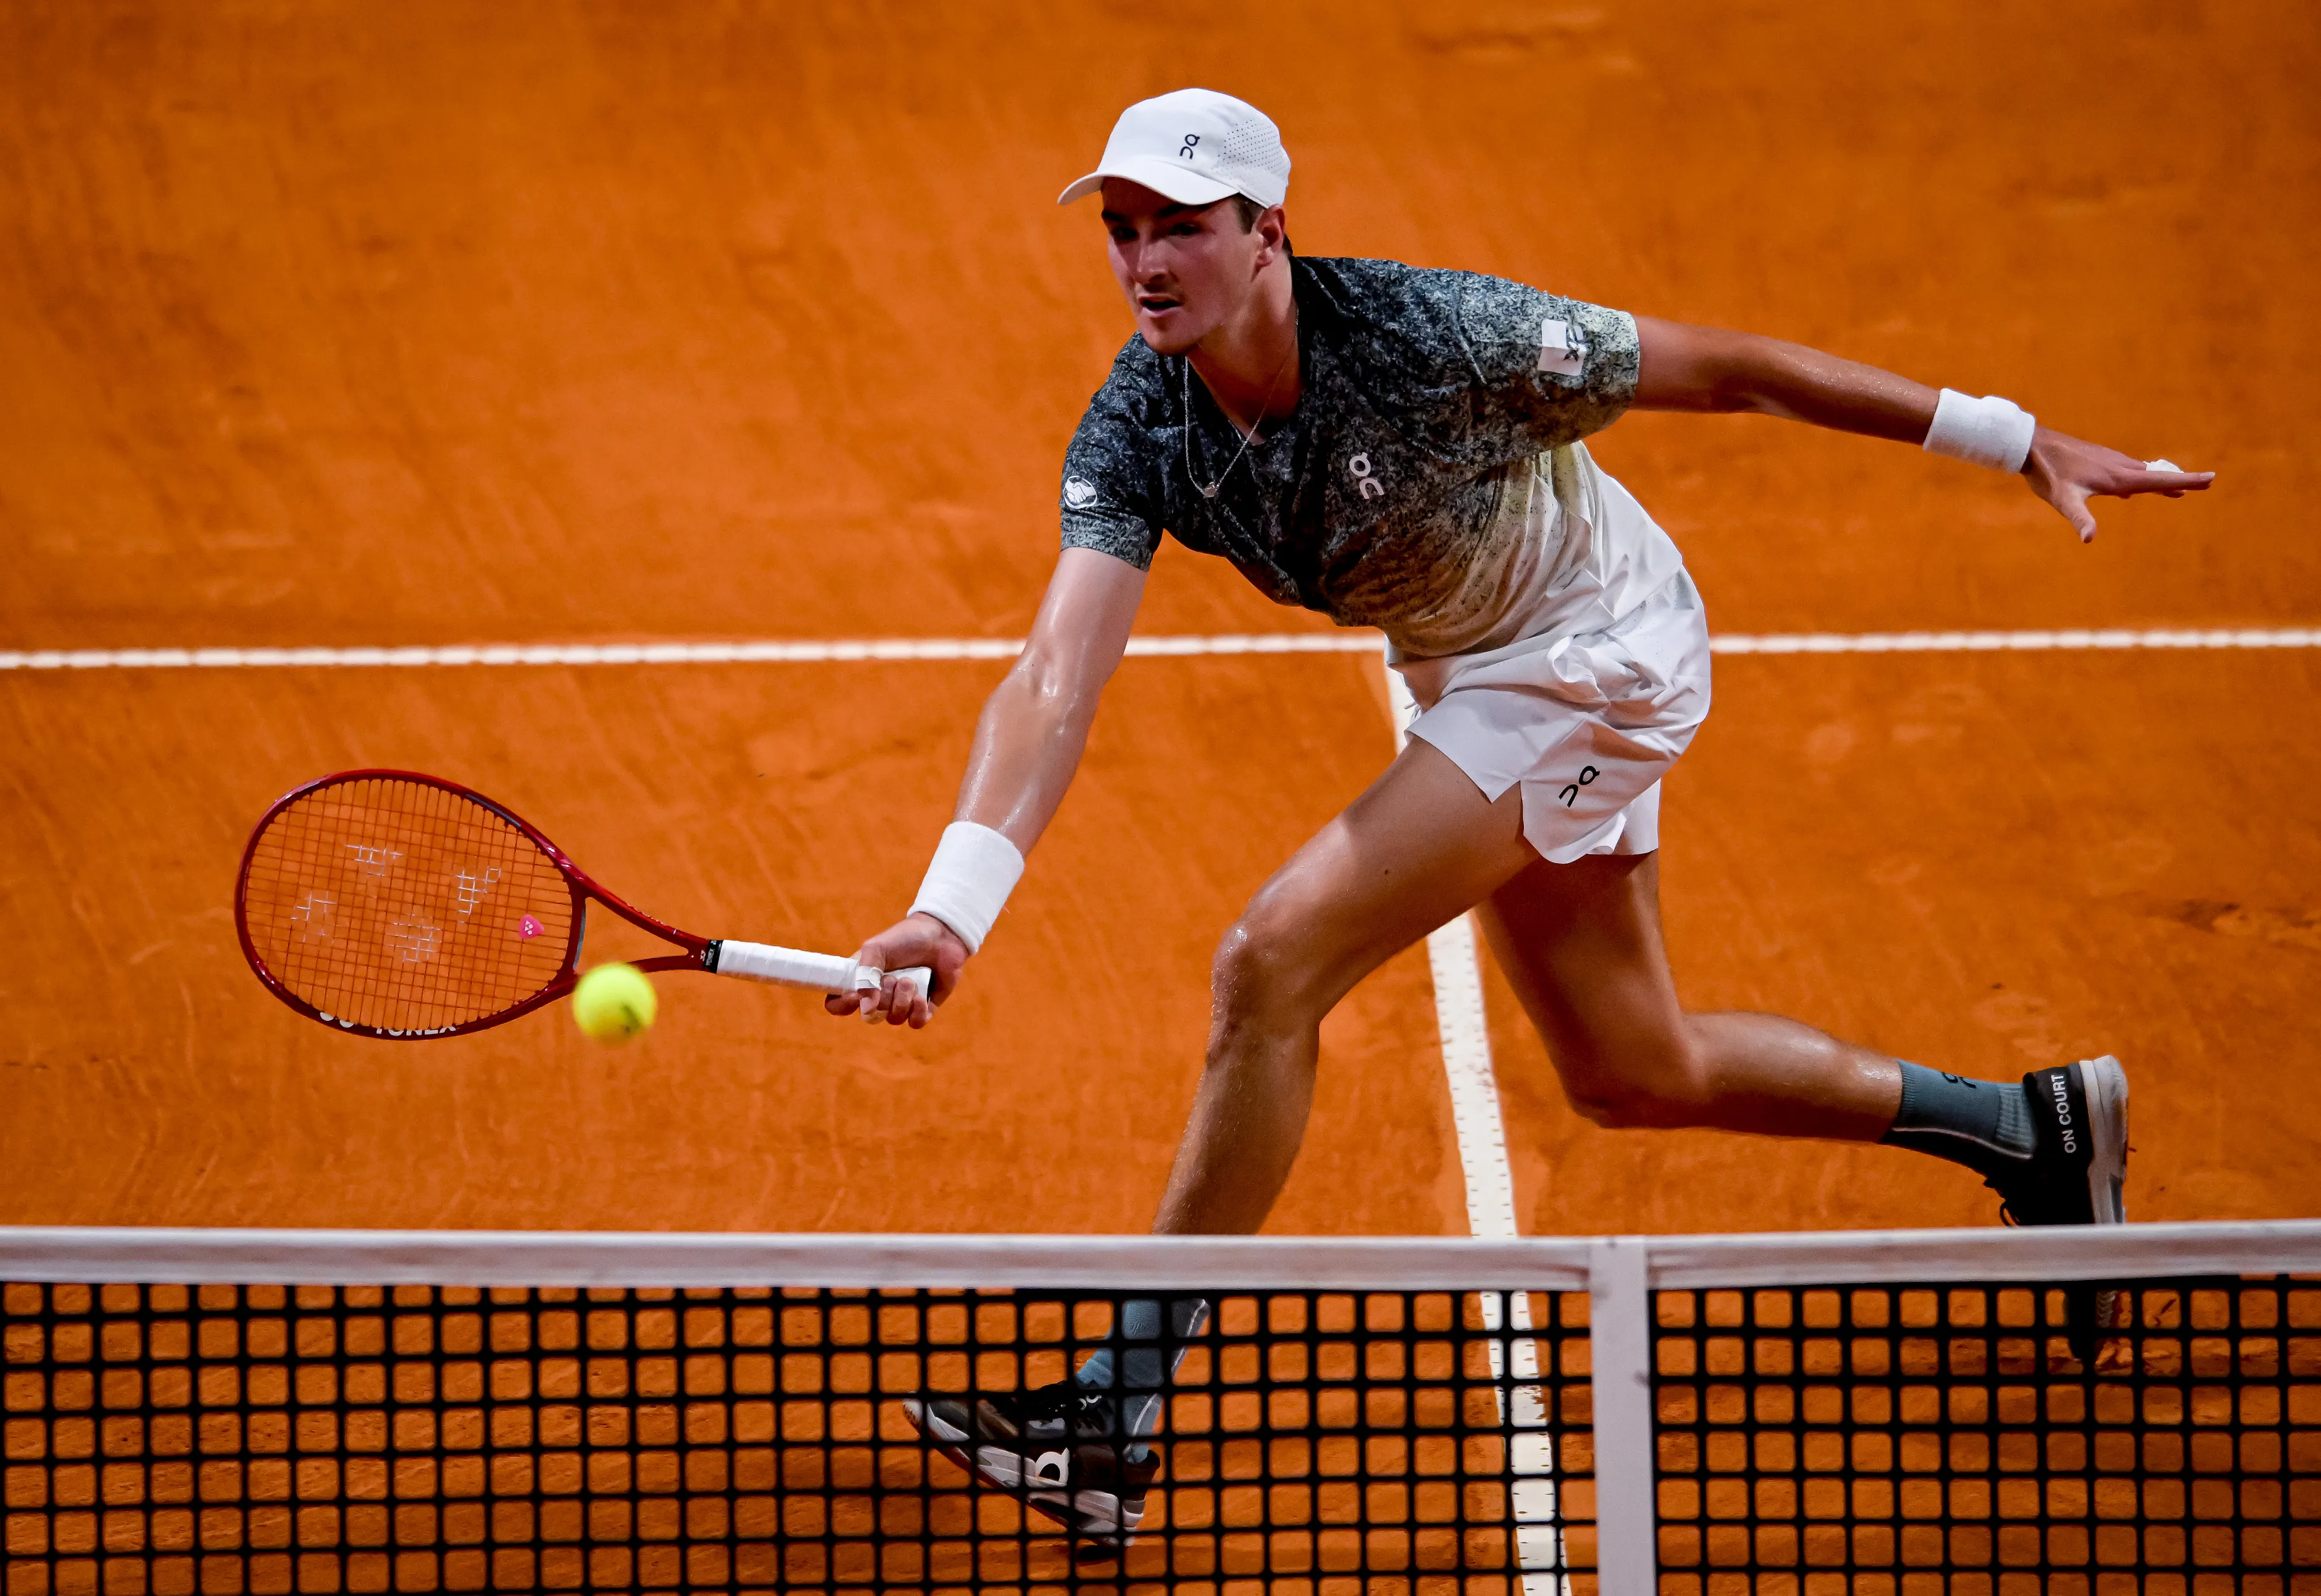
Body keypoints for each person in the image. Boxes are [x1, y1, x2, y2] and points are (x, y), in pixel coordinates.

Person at [830, 88, 2212, 1542]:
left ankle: (1114, 1411)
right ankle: (2028, 1131)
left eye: (1180, 226)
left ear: (1265, 230)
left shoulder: (1435, 337)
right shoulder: (1141, 423)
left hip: (1594, 657)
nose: (1144, 261)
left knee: (1270, 963)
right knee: (1632, 1067)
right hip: (1472, 673)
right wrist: (950, 908)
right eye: (1122, 230)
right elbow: (1055, 672)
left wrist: (2009, 438)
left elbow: (1729, 370)